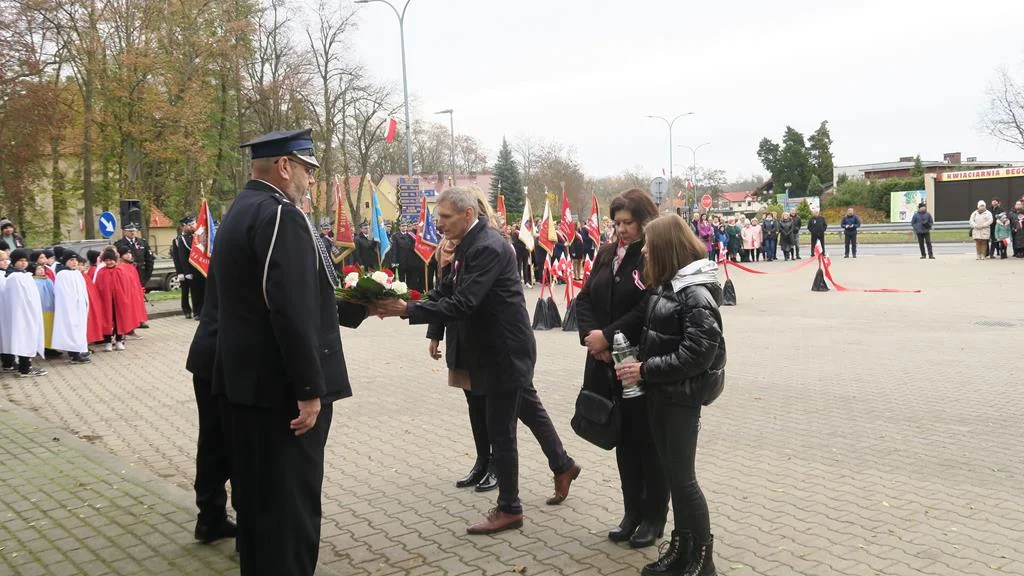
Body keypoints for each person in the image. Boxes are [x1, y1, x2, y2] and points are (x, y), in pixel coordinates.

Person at [377, 186, 581, 536]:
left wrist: (409, 310)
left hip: (503, 352)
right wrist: (402, 300)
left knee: (501, 430)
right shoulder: (468, 244)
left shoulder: (486, 246)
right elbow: (447, 291)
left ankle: (510, 508)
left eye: (445, 217)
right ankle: (563, 465)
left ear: (467, 214)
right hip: (492, 349)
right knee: (529, 410)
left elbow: (463, 302)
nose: (439, 225)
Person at [212, 129, 370, 576]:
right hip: (281, 394)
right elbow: (290, 309)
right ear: (284, 166)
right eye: (307, 169)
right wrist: (308, 388)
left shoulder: (241, 210)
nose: (310, 181)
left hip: (246, 386)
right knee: (290, 516)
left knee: (259, 513)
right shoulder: (281, 215)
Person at [615, 214, 725, 576]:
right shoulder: (668, 285)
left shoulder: (694, 292)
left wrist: (644, 369)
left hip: (680, 397)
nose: (643, 249)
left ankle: (702, 560)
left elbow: (698, 354)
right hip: (661, 394)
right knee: (673, 474)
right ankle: (682, 548)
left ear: (665, 247)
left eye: (648, 243)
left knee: (683, 479)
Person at [576, 188, 668, 549]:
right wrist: (591, 337)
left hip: (638, 362)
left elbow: (649, 305)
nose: (621, 229)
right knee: (623, 442)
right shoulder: (603, 254)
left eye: (628, 223)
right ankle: (631, 512)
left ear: (645, 222)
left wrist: (608, 335)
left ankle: (653, 517)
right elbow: (584, 299)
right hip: (603, 361)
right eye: (616, 223)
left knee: (647, 442)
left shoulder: (651, 256)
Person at [185, 264, 237, 545]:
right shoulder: (251, 244)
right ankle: (248, 532)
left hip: (207, 353)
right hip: (229, 358)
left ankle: (209, 518)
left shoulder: (227, 243)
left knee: (212, 441)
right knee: (239, 442)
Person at [0, 249, 47, 377]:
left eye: (25, 261)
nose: (23, 263)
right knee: (24, 339)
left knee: (27, 338)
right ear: (14, 262)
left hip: (28, 313)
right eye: (20, 260)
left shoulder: (24, 275)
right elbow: (19, 299)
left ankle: (25, 365)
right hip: (23, 314)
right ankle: (25, 368)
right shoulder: (14, 277)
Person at [94, 249, 138, 351]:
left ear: (115, 260)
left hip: (119, 301)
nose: (109, 262)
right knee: (107, 321)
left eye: (111, 260)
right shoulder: (101, 272)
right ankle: (108, 341)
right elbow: (98, 287)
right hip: (106, 302)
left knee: (120, 320)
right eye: (107, 260)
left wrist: (124, 298)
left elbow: (126, 286)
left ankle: (119, 340)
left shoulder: (121, 271)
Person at [52, 252, 91, 364]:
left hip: (79, 308)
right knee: (70, 329)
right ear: (65, 262)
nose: (74, 263)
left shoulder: (77, 273)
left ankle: (79, 350)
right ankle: (73, 354)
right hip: (69, 308)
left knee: (79, 329)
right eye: (71, 260)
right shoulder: (62, 274)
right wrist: (70, 305)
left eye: (75, 261)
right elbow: (62, 293)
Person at [114, 223, 155, 288]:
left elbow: (149, 260)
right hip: (126, 274)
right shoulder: (119, 244)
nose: (132, 233)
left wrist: (146, 276)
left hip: (140, 274)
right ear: (125, 232)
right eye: (130, 231)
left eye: (134, 231)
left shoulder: (142, 242)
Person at [171, 218, 198, 319]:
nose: (191, 226)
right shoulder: (178, 240)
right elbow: (177, 258)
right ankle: (186, 309)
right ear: (183, 226)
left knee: (195, 291)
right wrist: (180, 272)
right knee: (185, 291)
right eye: (188, 225)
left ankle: (196, 310)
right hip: (183, 270)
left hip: (193, 269)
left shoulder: (194, 237)